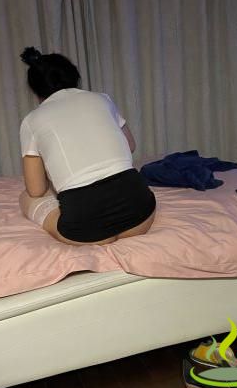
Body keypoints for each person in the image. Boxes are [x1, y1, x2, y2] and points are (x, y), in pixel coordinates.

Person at [19, 47, 156, 246]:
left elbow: (36, 189)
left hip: (84, 231)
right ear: (74, 77)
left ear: (36, 90)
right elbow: (130, 145)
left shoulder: (31, 120)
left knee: (26, 197)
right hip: (140, 214)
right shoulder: (102, 99)